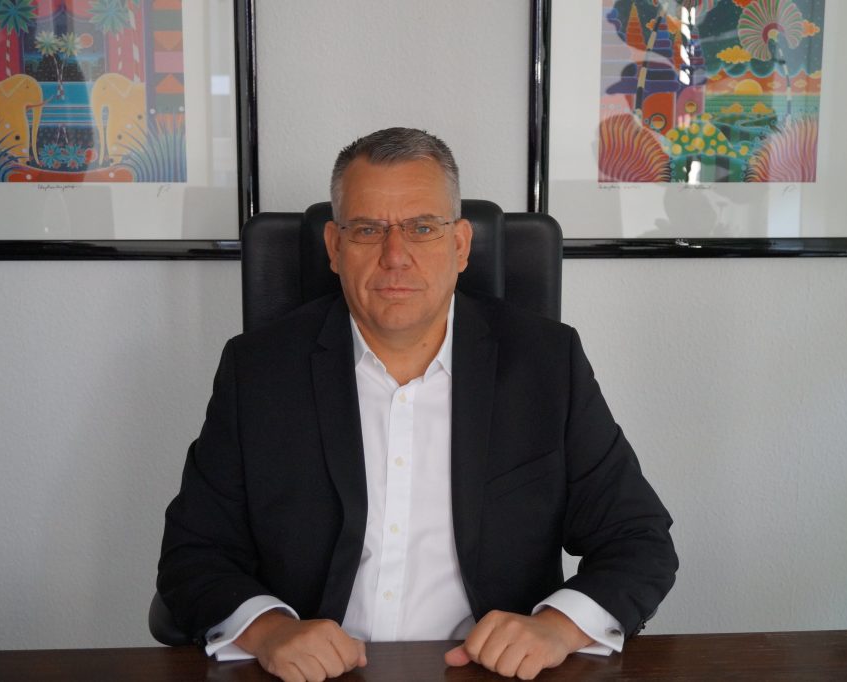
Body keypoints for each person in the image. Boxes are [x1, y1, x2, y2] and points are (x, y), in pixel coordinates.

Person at [157, 127, 678, 680]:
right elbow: (194, 554)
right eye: (367, 230)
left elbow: (639, 541)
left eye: (422, 228)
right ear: (334, 248)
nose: (395, 256)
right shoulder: (258, 370)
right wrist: (268, 632)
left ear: (460, 245)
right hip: (315, 675)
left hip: (491, 673)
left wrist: (558, 627)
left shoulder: (546, 364)